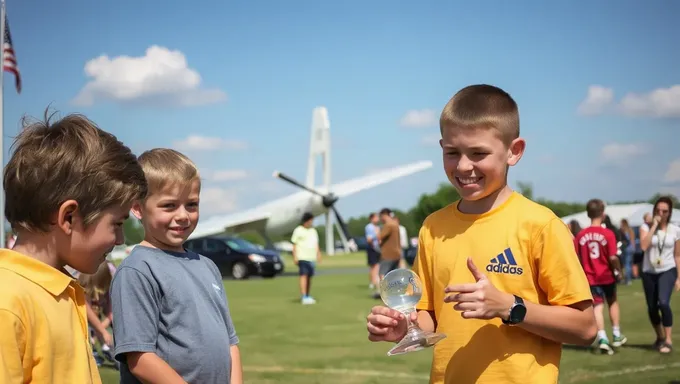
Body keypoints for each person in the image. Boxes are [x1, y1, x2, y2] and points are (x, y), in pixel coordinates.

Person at [365, 84, 596, 384]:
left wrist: (509, 307)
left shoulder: (539, 225)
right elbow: (430, 316)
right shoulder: (433, 227)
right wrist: (403, 327)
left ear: (514, 151)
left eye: (478, 153)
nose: (463, 165)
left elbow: (585, 328)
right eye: (452, 152)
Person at [0, 112, 147, 383]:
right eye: (116, 224)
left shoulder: (62, 290)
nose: (120, 240)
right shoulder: (7, 303)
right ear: (69, 217)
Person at [110, 148, 242, 383]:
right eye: (169, 206)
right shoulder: (137, 269)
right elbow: (140, 357)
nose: (183, 215)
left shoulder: (207, 266)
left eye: (191, 204)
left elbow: (230, 342)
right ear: (138, 208)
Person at [574, 199, 626, 354]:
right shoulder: (608, 233)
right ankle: (616, 334)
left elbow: (576, 257)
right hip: (607, 276)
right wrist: (619, 270)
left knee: (597, 306)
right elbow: (612, 257)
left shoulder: (581, 235)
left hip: (590, 277)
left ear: (588, 214)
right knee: (612, 302)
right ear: (603, 214)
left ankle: (602, 337)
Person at [638, 196, 680, 354]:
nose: (661, 213)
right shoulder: (645, 227)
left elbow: (678, 255)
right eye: (658, 210)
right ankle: (660, 336)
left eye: (665, 211)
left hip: (667, 269)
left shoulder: (675, 230)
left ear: (669, 213)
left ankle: (668, 339)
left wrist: (679, 277)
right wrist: (654, 225)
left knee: (663, 302)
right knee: (652, 307)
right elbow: (643, 245)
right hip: (649, 271)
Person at [79, 261, 117, 367]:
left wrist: (103, 328)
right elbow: (88, 312)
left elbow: (112, 309)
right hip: (83, 314)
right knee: (88, 326)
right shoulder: (83, 285)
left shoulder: (110, 279)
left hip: (99, 308)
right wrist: (101, 332)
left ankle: (109, 349)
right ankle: (94, 352)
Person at [291, 212, 322, 305]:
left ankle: (308, 295)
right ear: (306, 221)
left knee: (309, 277)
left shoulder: (313, 231)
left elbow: (316, 244)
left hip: (311, 257)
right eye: (311, 220)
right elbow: (294, 244)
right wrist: (295, 256)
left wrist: (318, 254)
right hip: (302, 257)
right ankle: (304, 296)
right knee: (303, 276)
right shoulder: (298, 230)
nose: (312, 222)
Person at [377, 208, 401, 279]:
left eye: (381, 216)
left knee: (382, 274)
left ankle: (383, 290)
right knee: (394, 276)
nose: (380, 219)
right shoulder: (395, 224)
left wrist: (377, 231)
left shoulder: (388, 225)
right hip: (396, 253)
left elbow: (380, 236)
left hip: (388, 254)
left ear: (384, 215)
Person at [365, 213, 381, 289]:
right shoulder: (369, 227)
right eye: (376, 217)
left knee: (376, 265)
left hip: (377, 248)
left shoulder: (377, 227)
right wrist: (377, 234)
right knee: (373, 265)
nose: (378, 219)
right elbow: (369, 239)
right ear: (372, 218)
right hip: (372, 248)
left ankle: (374, 281)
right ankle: (373, 282)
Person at [619, 218, 636, 285]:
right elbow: (632, 240)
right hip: (629, 248)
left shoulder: (622, 230)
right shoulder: (630, 230)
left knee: (625, 265)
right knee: (628, 264)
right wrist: (633, 248)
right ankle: (628, 279)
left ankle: (626, 279)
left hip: (624, 248)